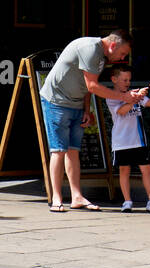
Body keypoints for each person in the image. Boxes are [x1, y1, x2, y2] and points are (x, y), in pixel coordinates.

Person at [39, 30, 139, 212]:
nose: (122, 58)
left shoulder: (101, 56)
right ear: (113, 45)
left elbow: (87, 86)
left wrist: (86, 109)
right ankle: (56, 198)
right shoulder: (91, 49)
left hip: (76, 103)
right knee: (59, 150)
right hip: (56, 101)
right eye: (122, 53)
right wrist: (124, 97)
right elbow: (93, 85)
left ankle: (76, 197)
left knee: (73, 150)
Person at [105, 64, 150, 212]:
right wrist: (134, 99)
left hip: (138, 139)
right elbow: (122, 111)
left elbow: (149, 103)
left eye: (129, 80)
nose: (128, 83)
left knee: (146, 169)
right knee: (124, 170)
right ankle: (127, 201)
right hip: (121, 141)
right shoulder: (111, 97)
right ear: (114, 79)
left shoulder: (134, 94)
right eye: (124, 80)